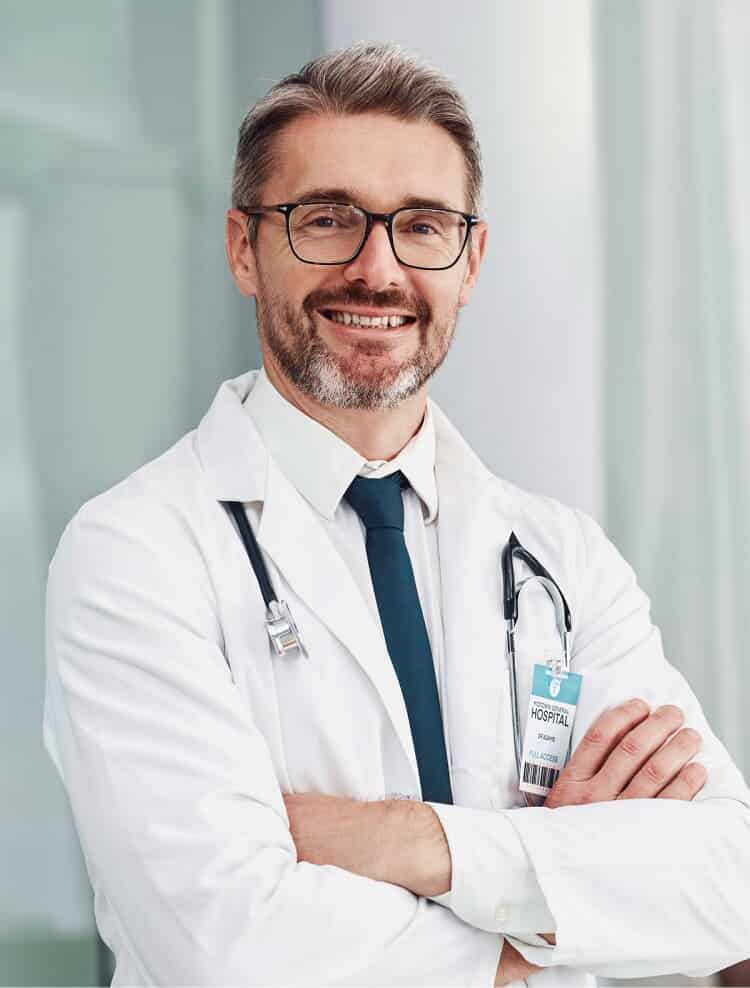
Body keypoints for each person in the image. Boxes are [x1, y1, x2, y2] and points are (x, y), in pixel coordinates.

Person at [43, 42, 750, 987]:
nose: (376, 270)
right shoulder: (135, 554)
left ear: (471, 259)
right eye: (326, 219)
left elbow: (727, 885)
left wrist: (407, 840)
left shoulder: (563, 559)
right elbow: (231, 946)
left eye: (422, 226)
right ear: (243, 248)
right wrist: (555, 913)